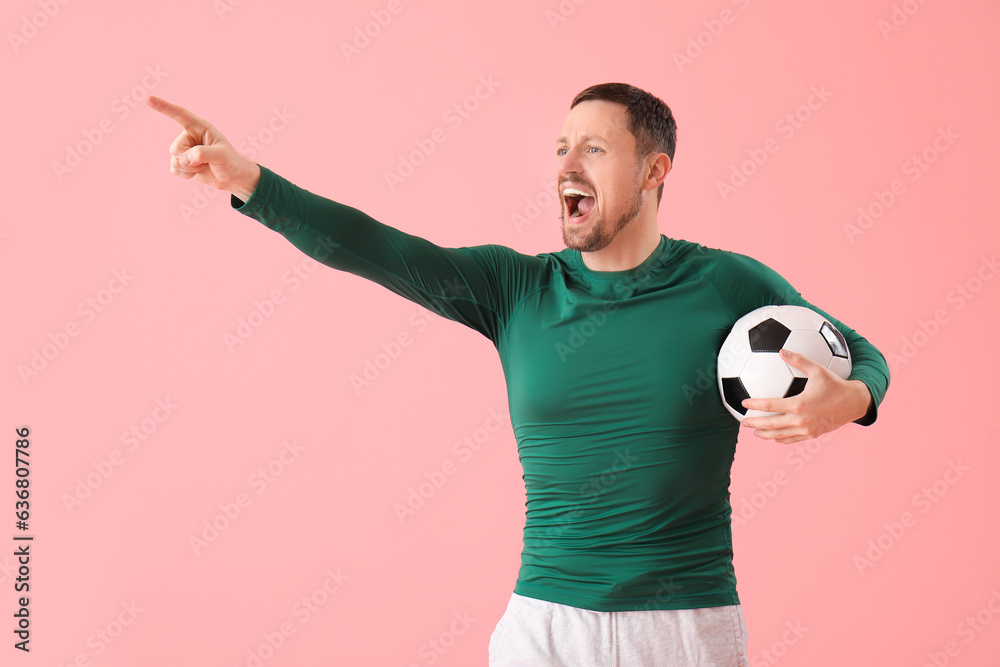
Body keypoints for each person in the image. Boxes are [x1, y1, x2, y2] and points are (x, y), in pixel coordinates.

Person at [148, 83, 890, 666]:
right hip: (546, 628)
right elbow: (375, 246)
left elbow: (862, 351)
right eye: (562, 147)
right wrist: (249, 180)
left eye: (594, 149)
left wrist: (850, 398)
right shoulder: (515, 288)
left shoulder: (728, 285)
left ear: (654, 170)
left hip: (686, 627)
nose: (566, 165)